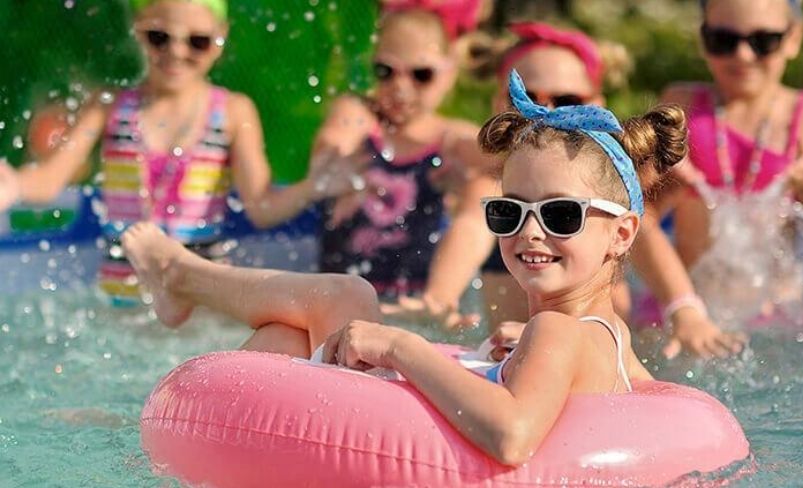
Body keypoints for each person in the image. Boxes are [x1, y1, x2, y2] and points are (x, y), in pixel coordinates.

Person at [120, 70, 680, 464]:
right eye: (509, 212)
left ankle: (182, 277)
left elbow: (512, 436)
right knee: (286, 339)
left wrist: (398, 348)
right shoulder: (605, 336)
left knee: (344, 298)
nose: (530, 231)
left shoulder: (557, 330)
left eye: (561, 215)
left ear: (622, 232)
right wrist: (529, 359)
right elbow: (651, 399)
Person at [0, 0, 320, 305]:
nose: (176, 52)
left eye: (197, 42)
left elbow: (262, 206)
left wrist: (317, 184)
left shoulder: (234, 112)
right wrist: (14, 183)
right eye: (159, 37)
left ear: (221, 35)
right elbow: (50, 179)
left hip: (204, 300)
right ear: (138, 29)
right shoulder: (108, 107)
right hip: (123, 299)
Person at [629, 0, 803, 358]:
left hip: (776, 316)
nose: (742, 55)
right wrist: (680, 305)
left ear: (793, 38)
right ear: (702, 38)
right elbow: (635, 217)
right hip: (685, 308)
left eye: (763, 41)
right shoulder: (683, 105)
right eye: (722, 40)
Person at [382, 21, 633, 330]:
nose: (545, 114)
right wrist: (440, 298)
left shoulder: (614, 184)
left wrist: (681, 305)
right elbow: (471, 227)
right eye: (524, 99)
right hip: (514, 340)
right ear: (499, 105)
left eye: (566, 101)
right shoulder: (493, 181)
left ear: (597, 107)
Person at [291, 1, 494, 299]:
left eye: (421, 74)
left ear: (449, 73)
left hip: (409, 302)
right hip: (340, 296)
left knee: (486, 187)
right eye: (386, 71)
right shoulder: (359, 116)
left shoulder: (451, 140)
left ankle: (440, 301)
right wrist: (337, 156)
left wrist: (470, 178)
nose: (401, 87)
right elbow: (336, 138)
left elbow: (505, 160)